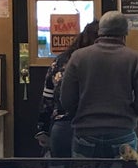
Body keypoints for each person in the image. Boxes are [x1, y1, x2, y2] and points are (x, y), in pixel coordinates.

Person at [58, 10, 138, 159]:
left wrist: (84, 112)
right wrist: (129, 112)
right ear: (125, 34)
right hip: (122, 134)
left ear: (100, 32)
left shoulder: (78, 57)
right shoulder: (135, 59)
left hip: (85, 134)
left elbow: (66, 101)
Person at [35, 20, 99, 157]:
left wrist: (42, 129)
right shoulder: (102, 62)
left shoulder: (61, 61)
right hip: (94, 126)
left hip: (62, 126)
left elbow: (47, 99)